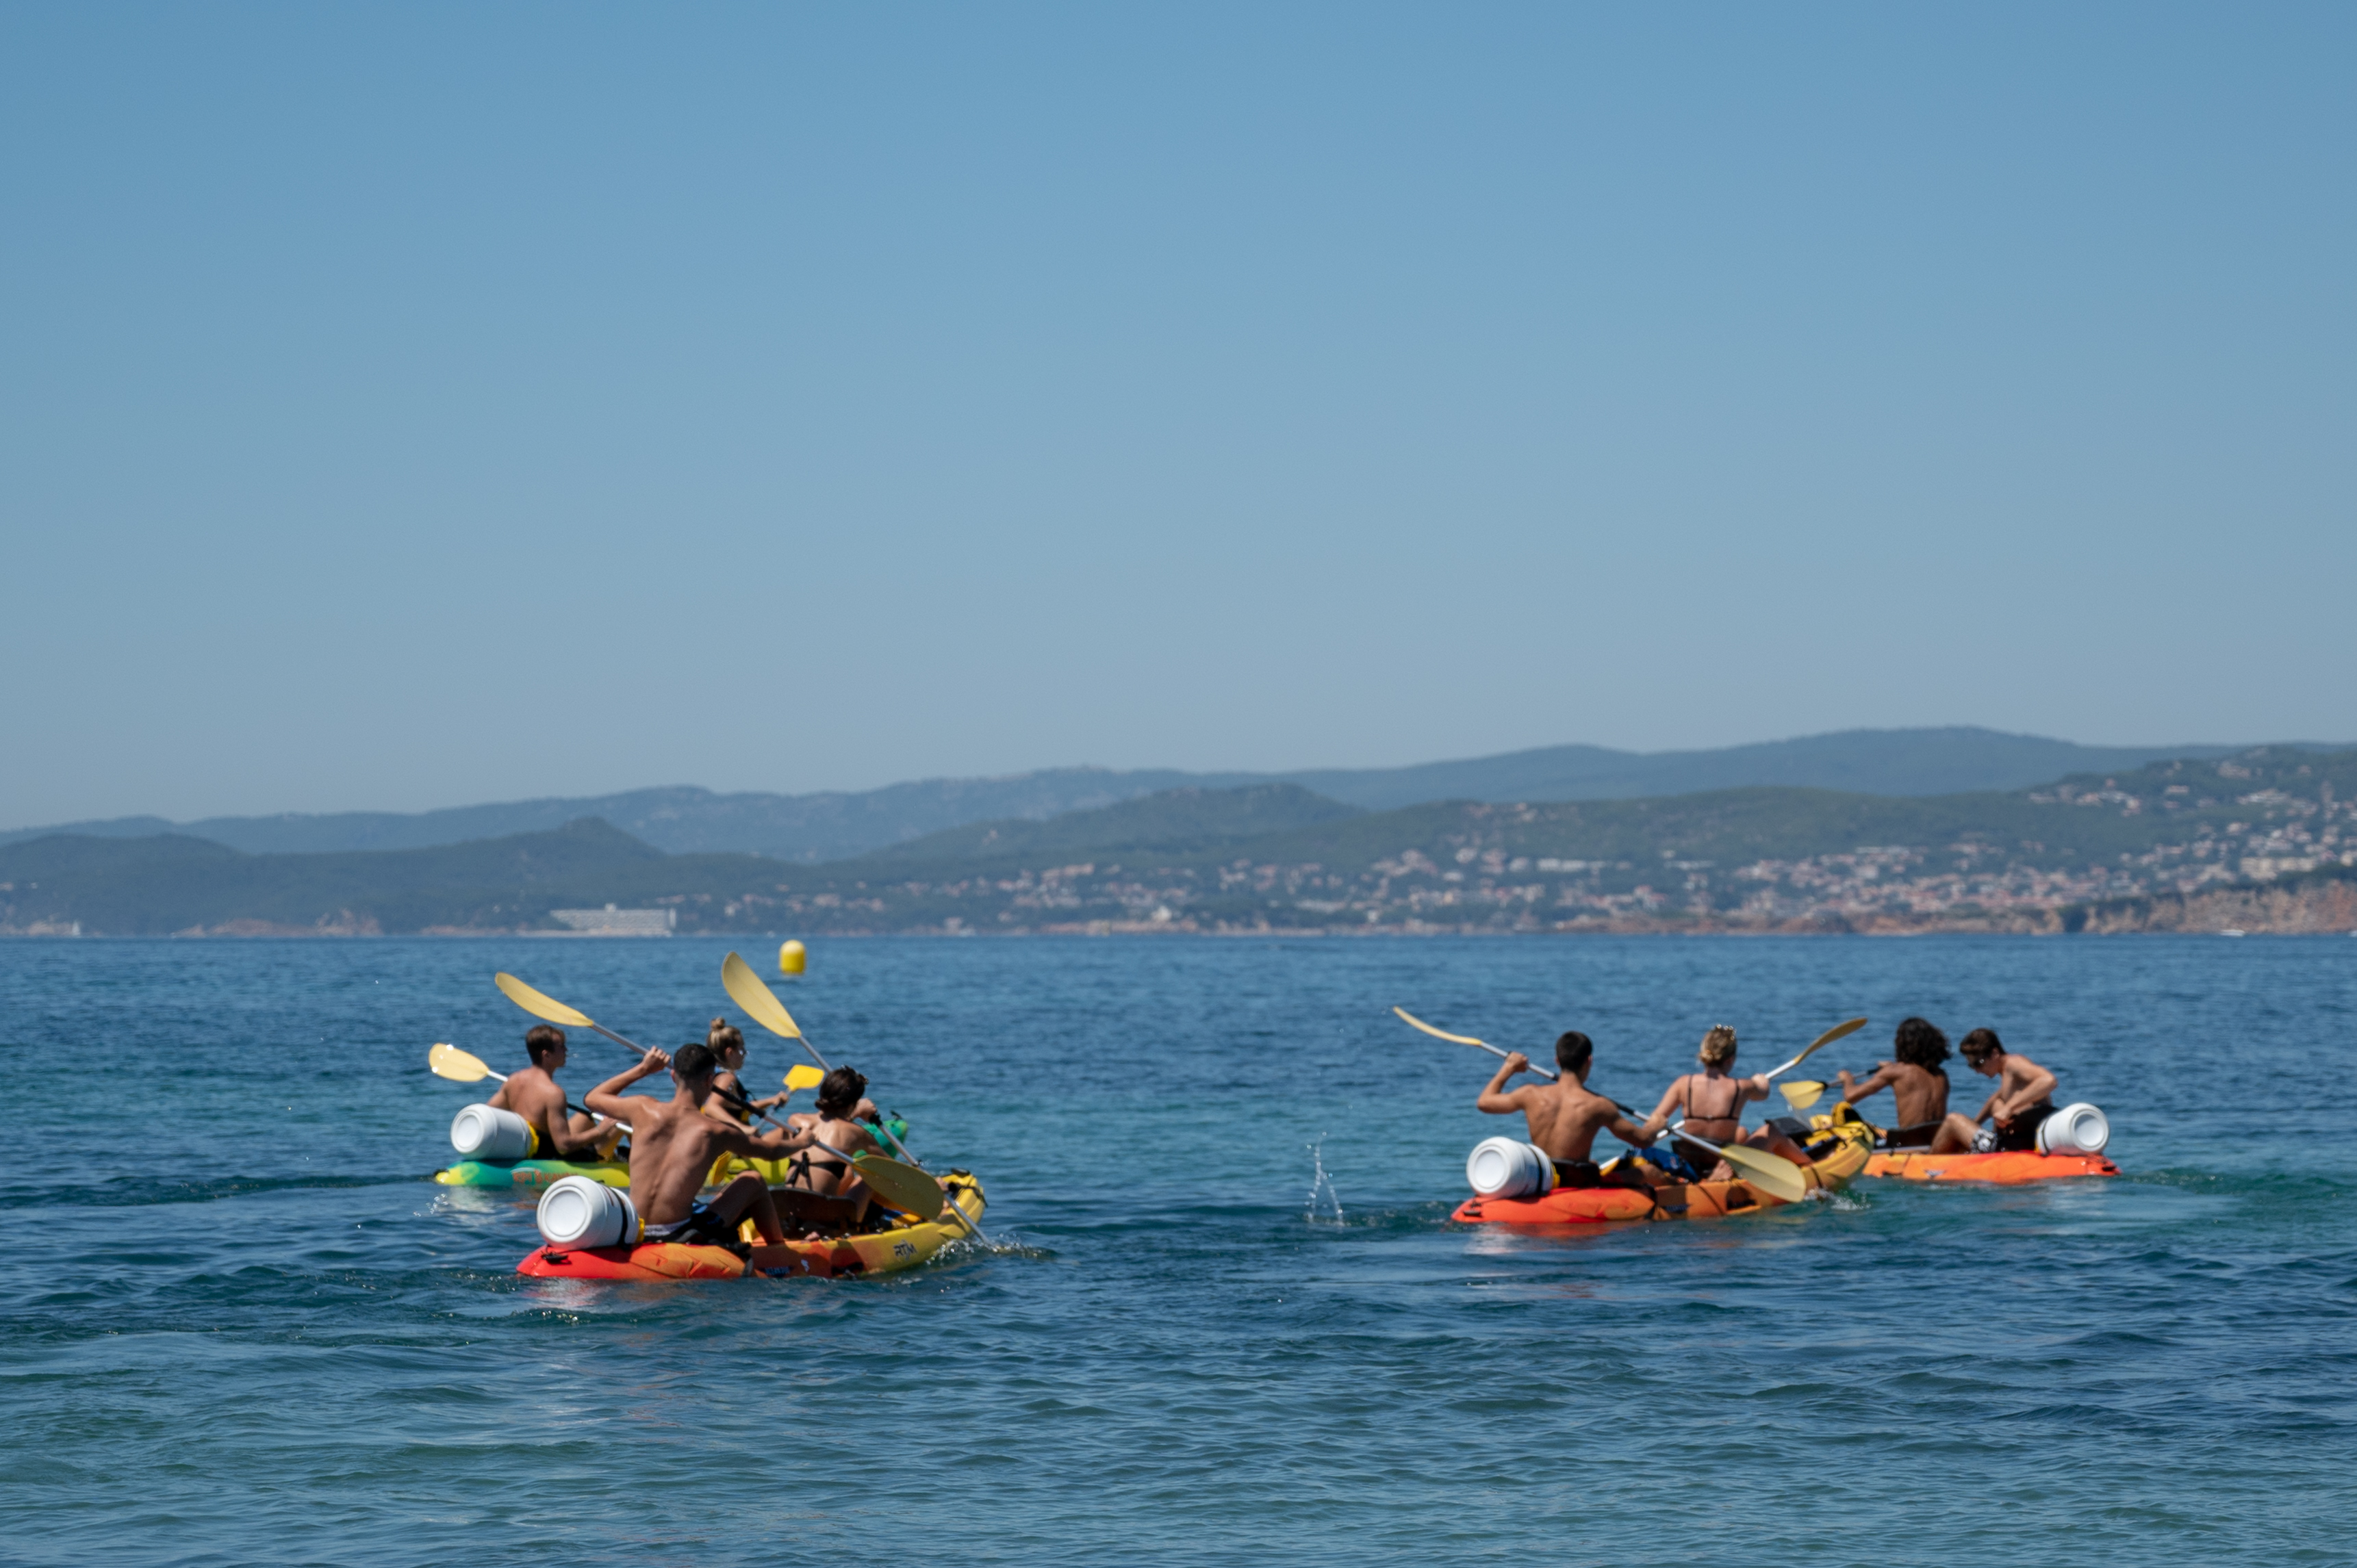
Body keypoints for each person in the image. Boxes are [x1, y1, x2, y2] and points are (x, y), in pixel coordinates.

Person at [585, 1042, 815, 1248]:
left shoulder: (642, 1108)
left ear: (673, 1076)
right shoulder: (716, 1131)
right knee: (752, 1181)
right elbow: (771, 1153)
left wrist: (643, 1069)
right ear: (709, 1081)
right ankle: (779, 1249)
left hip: (635, 1227)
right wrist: (802, 1142)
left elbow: (592, 1098)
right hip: (677, 1233)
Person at [1473, 1031, 1657, 1187]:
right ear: (1589, 1061)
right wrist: (1655, 1125)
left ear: (1557, 1061)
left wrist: (1509, 1068)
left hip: (1543, 1177)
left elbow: (1484, 1102)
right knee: (1648, 1171)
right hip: (1579, 1182)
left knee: (1592, 1163)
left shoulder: (1531, 1094)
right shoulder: (1598, 1105)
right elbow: (1643, 1140)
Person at [1642, 1025, 1814, 1179]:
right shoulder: (1741, 1087)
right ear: (1730, 1060)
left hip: (1691, 1165)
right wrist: (1761, 1082)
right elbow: (1763, 1094)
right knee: (1772, 1131)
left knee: (1741, 1132)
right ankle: (1811, 1167)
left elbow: (1655, 1119)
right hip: (1726, 1166)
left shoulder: (1683, 1084)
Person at [486, 1024, 621, 1162]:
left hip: (529, 1146)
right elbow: (563, 1146)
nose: (566, 1050)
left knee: (585, 1116)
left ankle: (614, 1155)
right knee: (623, 1117)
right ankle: (623, 1162)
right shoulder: (554, 1093)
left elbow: (488, 1114)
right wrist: (600, 1130)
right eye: (561, 1046)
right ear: (547, 1055)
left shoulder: (513, 1080)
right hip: (549, 1156)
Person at [781, 1066, 887, 1225]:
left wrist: (852, 1113)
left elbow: (827, 1130)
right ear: (853, 1103)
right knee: (870, 1176)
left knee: (847, 1174)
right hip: (824, 1226)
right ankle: (855, 1226)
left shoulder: (794, 1121)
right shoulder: (856, 1133)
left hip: (787, 1221)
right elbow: (890, 1167)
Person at [1933, 1029, 2059, 1154]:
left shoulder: (2013, 1063)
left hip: (2016, 1146)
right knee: (1996, 1105)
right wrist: (1975, 1123)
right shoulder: (2008, 1079)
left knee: (1953, 1120)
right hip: (2014, 1143)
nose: (1977, 1070)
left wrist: (2008, 1108)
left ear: (1995, 1053)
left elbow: (2049, 1080)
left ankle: (1925, 1166)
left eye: (1979, 1063)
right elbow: (1994, 1100)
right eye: (1972, 1066)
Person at [1837, 1016, 1952, 1148]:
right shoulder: (1941, 1075)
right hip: (1936, 1143)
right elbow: (1916, 1078)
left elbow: (1850, 1097)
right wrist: (1889, 1069)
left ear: (1902, 1044)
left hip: (1907, 1145)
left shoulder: (1896, 1072)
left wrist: (1848, 1079)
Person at [703, 1018, 789, 1127]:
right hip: (733, 1141)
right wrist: (743, 1128)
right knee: (791, 1128)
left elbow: (740, 1107)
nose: (744, 1054)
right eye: (741, 1050)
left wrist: (772, 1100)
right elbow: (711, 1107)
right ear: (730, 1053)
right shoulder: (727, 1079)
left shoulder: (710, 1074)